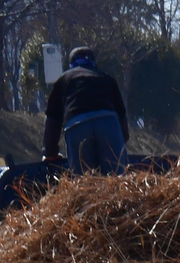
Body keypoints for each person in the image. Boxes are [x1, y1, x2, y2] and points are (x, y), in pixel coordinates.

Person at [42, 46, 131, 174]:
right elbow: (122, 119)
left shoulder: (64, 79)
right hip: (108, 123)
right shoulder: (106, 78)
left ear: (71, 64)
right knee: (117, 178)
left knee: (84, 182)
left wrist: (50, 153)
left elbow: (52, 119)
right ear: (94, 63)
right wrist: (118, 145)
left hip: (77, 125)